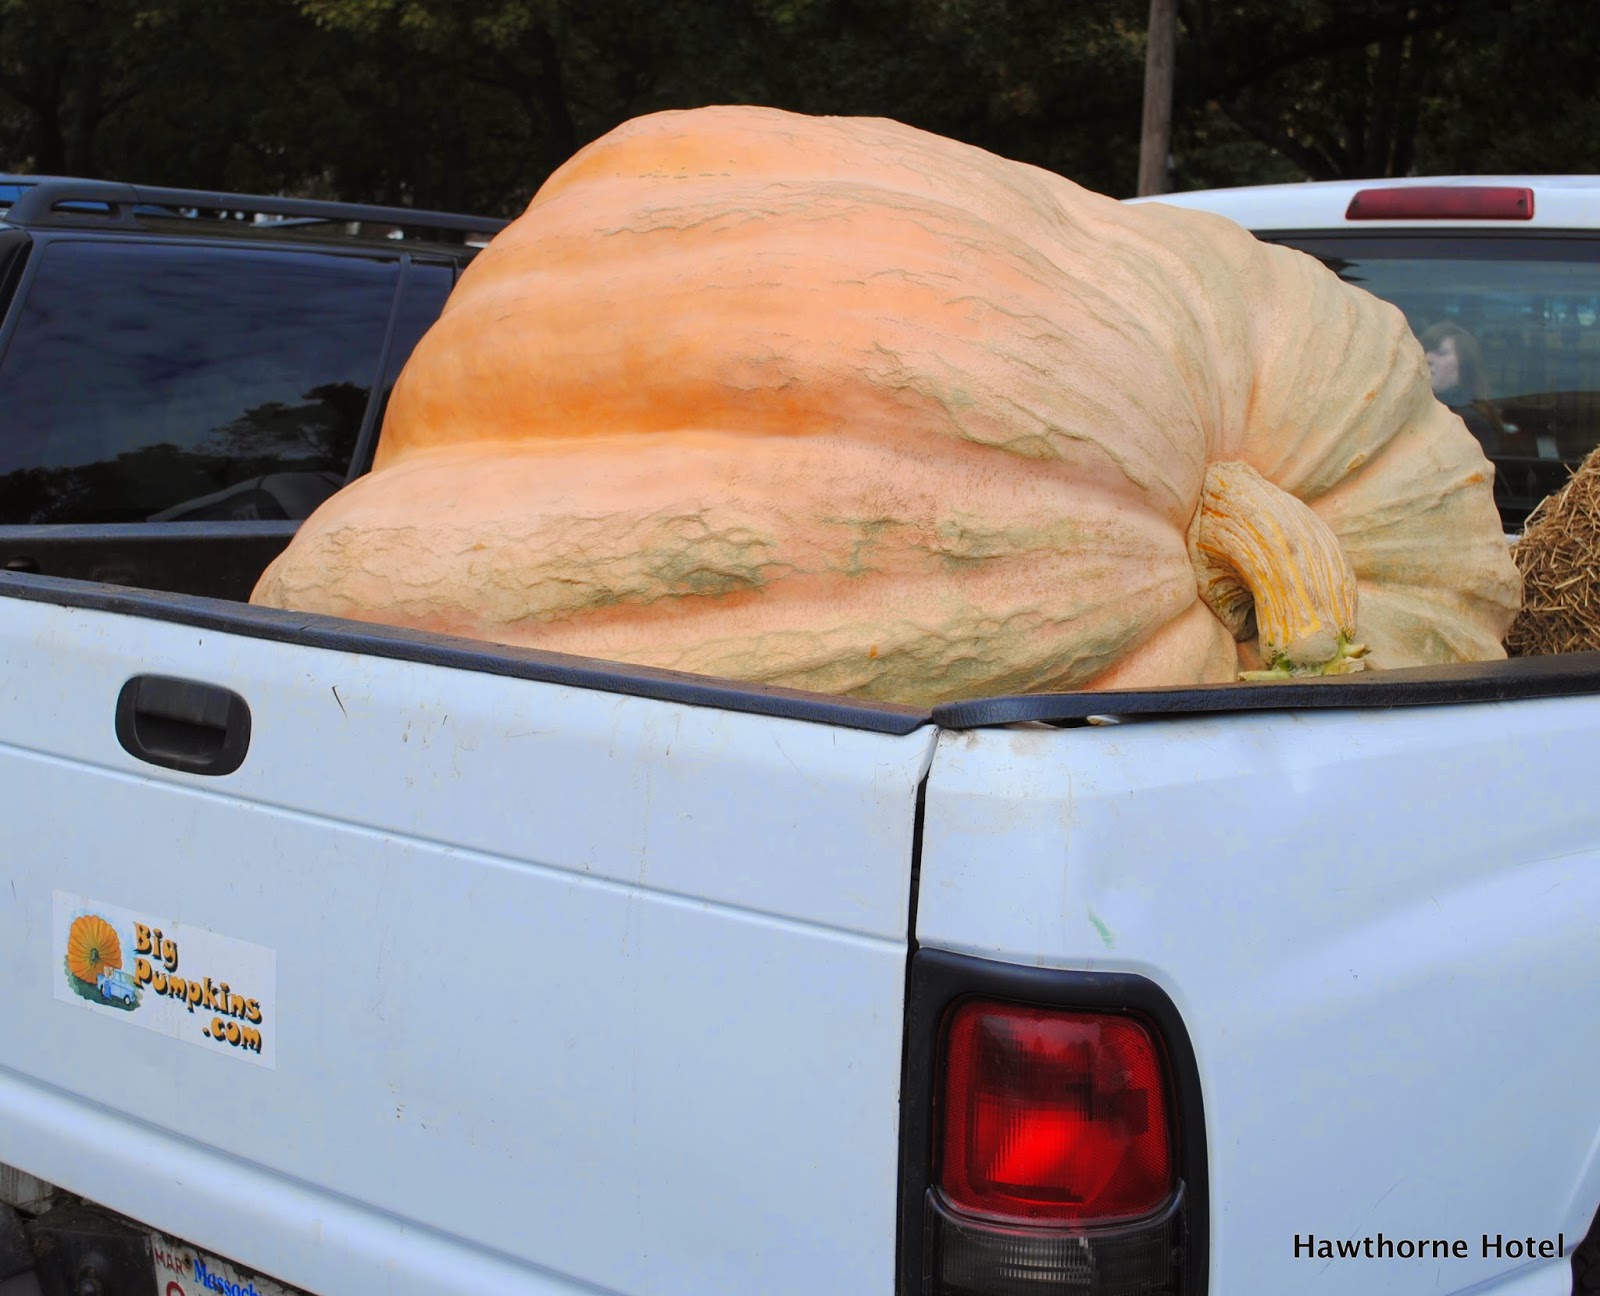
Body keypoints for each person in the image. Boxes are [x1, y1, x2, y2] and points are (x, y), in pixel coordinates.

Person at [1419, 321, 1511, 453]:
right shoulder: (1415, 409)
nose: (1428, 358)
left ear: (1464, 366)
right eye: (1424, 350)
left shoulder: (1470, 421)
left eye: (1441, 353)